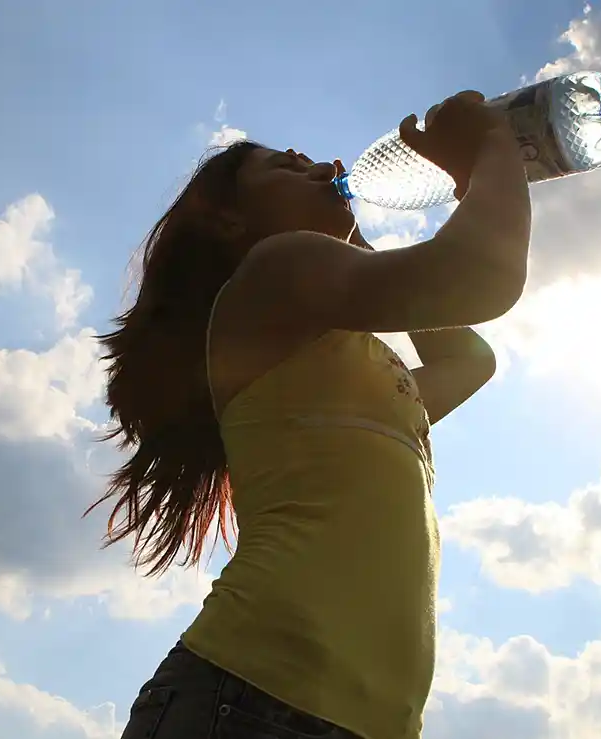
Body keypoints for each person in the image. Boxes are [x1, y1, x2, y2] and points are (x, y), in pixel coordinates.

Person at [92, 90, 532, 739]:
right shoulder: (274, 269)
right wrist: (494, 143)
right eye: (286, 166)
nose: (320, 164)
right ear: (229, 221)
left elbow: (470, 358)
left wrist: (366, 238)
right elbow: (478, 278)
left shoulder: (353, 372)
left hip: (342, 719)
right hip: (253, 695)